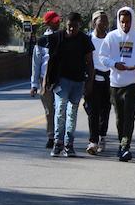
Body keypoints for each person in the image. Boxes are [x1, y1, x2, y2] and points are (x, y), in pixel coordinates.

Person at [99, 6, 135, 162]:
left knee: (129, 116)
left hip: (133, 83)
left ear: (132, 21)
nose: (125, 25)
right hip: (115, 83)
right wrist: (115, 64)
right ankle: (121, 144)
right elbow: (102, 56)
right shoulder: (111, 37)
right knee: (119, 117)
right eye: (122, 22)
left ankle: (125, 146)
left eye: (127, 22)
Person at [43, 12, 95, 157]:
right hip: (62, 80)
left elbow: (90, 63)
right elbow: (50, 61)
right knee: (60, 111)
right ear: (65, 25)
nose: (72, 29)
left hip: (78, 81)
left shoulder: (85, 40)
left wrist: (89, 82)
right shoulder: (57, 37)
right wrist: (45, 81)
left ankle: (69, 144)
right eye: (69, 26)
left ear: (80, 25)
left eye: (75, 26)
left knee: (72, 112)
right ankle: (57, 143)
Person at [30, 10, 61, 149]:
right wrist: (34, 84)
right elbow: (36, 64)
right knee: (49, 110)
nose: (58, 23)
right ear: (48, 24)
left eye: (58, 21)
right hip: (45, 80)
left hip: (61, 78)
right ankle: (51, 136)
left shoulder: (63, 38)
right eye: (54, 22)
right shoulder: (42, 41)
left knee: (61, 109)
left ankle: (61, 136)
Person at [84, 10, 112, 155]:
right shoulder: (88, 39)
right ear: (95, 22)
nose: (105, 24)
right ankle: (93, 141)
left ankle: (102, 136)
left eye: (106, 21)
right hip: (93, 79)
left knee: (105, 110)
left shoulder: (111, 39)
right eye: (102, 20)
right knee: (92, 111)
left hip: (108, 79)